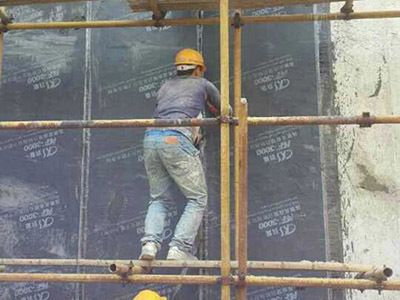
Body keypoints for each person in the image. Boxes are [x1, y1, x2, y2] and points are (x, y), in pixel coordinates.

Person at [139, 48, 221, 261]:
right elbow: (226, 112)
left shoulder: (165, 86)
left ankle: (149, 245)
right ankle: (179, 248)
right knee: (197, 198)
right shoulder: (203, 84)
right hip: (175, 137)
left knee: (158, 199)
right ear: (199, 70)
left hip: (151, 138)